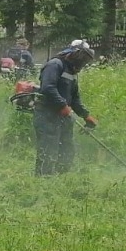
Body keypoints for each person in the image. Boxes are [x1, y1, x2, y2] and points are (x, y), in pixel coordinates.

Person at [34, 40, 97, 175]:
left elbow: (74, 98)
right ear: (74, 53)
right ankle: (42, 181)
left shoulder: (72, 71)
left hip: (63, 116)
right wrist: (62, 105)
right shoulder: (55, 65)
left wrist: (86, 115)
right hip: (47, 114)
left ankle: (61, 179)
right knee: (48, 149)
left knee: (67, 149)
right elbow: (47, 87)